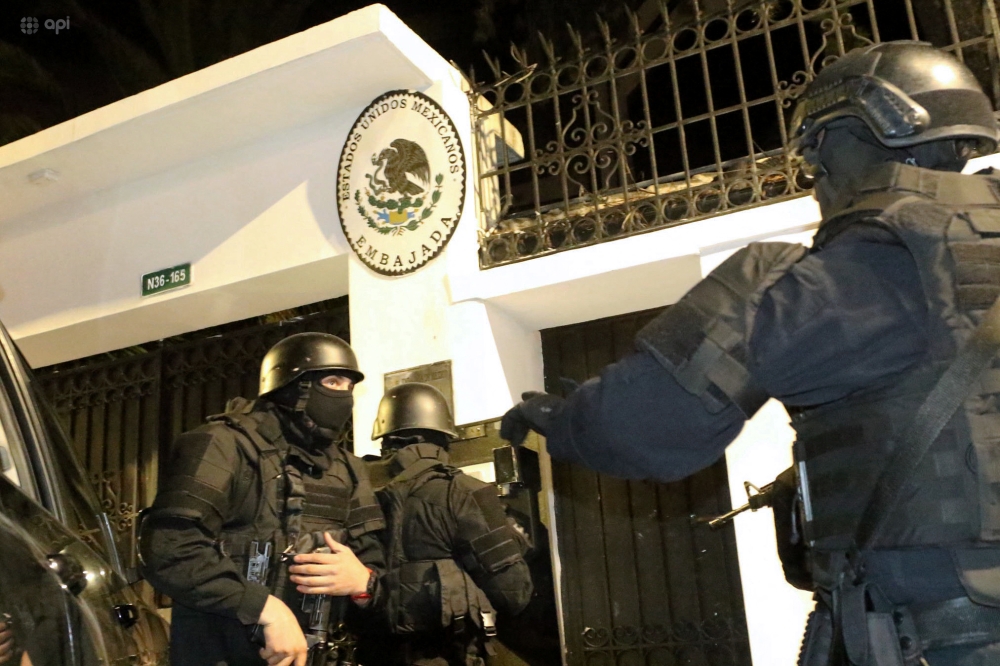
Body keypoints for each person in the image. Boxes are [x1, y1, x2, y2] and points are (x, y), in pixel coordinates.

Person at [502, 41, 1000, 664]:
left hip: (939, 635)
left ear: (861, 131)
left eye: (817, 150)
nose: (814, 175)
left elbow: (647, 427)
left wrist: (563, 422)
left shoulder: (842, 271)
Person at [140, 332, 385, 666]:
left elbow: (375, 568)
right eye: (332, 381)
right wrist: (263, 608)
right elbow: (171, 549)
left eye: (349, 386)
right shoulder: (221, 444)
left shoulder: (349, 469)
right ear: (292, 385)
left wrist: (361, 581)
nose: (343, 396)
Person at [363, 382, 533, 666]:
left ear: (385, 438)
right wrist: (514, 540)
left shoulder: (358, 490)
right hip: (445, 654)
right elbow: (513, 593)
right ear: (444, 437)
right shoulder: (464, 492)